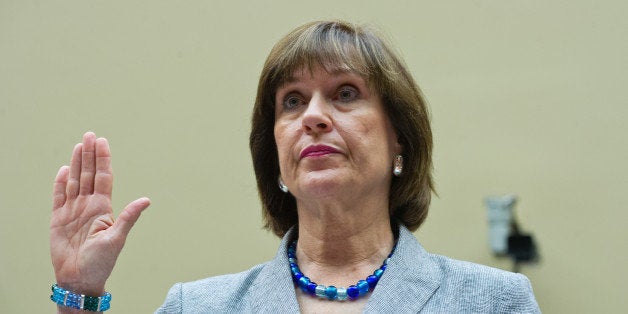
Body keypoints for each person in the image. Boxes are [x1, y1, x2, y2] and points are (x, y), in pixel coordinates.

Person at [49, 20, 540, 313]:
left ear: (400, 142)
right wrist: (78, 291)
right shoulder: (197, 307)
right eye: (292, 101)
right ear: (277, 161)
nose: (313, 117)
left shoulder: (492, 301)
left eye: (345, 94)